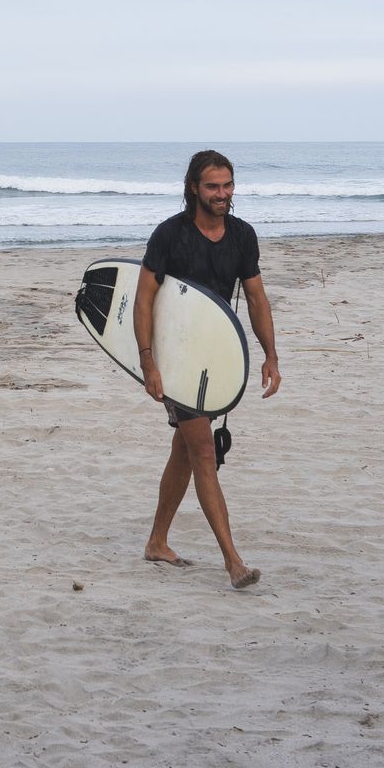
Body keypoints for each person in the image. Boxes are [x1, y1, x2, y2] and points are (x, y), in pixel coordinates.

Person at [135, 149, 280, 589]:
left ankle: (157, 541)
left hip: (214, 358)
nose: (223, 194)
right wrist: (148, 363)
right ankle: (233, 561)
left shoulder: (242, 236)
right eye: (213, 186)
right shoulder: (169, 235)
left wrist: (270, 354)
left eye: (228, 185)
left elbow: (255, 298)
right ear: (194, 188)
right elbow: (143, 299)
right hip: (175, 360)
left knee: (184, 450)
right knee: (202, 452)